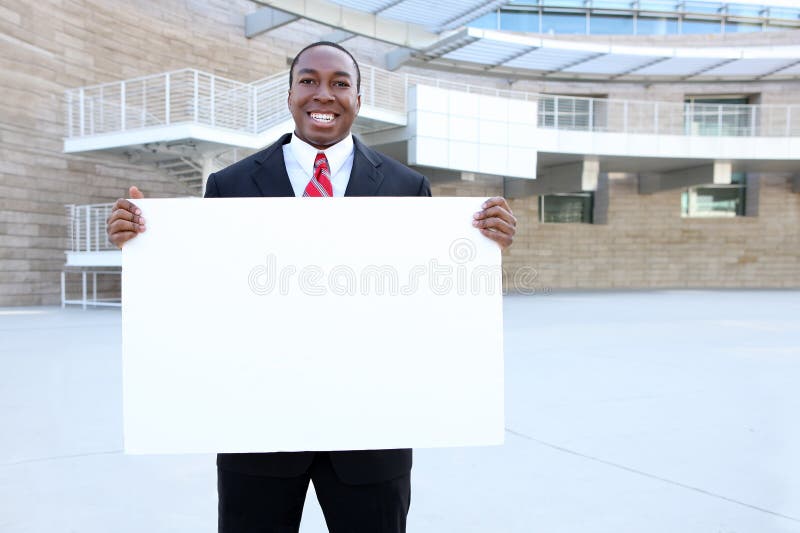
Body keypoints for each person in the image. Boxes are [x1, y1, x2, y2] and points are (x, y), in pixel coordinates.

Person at [107, 41, 516, 533]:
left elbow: (427, 297)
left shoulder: (407, 187)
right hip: (259, 431)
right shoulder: (229, 185)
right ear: (290, 94)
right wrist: (144, 243)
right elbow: (206, 294)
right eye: (309, 80)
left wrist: (483, 247)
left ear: (358, 100)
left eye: (340, 83)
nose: (324, 94)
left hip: (372, 433)